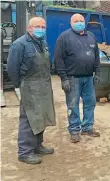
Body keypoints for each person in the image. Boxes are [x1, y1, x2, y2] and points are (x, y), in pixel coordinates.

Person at [7, 17, 56, 164]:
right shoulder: (19, 44)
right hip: (29, 86)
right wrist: (20, 85)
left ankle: (36, 145)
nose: (41, 29)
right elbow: (12, 68)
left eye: (43, 26)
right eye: (37, 26)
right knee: (28, 119)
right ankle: (24, 151)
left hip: (43, 86)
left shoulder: (43, 43)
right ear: (29, 28)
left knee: (41, 117)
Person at [54, 13, 101, 143]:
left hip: (88, 78)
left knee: (90, 103)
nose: (80, 22)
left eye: (81, 20)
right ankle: (74, 130)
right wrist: (64, 78)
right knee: (73, 105)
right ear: (71, 23)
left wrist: (97, 73)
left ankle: (87, 127)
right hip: (72, 78)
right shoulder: (64, 38)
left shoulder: (91, 36)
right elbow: (58, 60)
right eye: (76, 21)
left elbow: (96, 57)